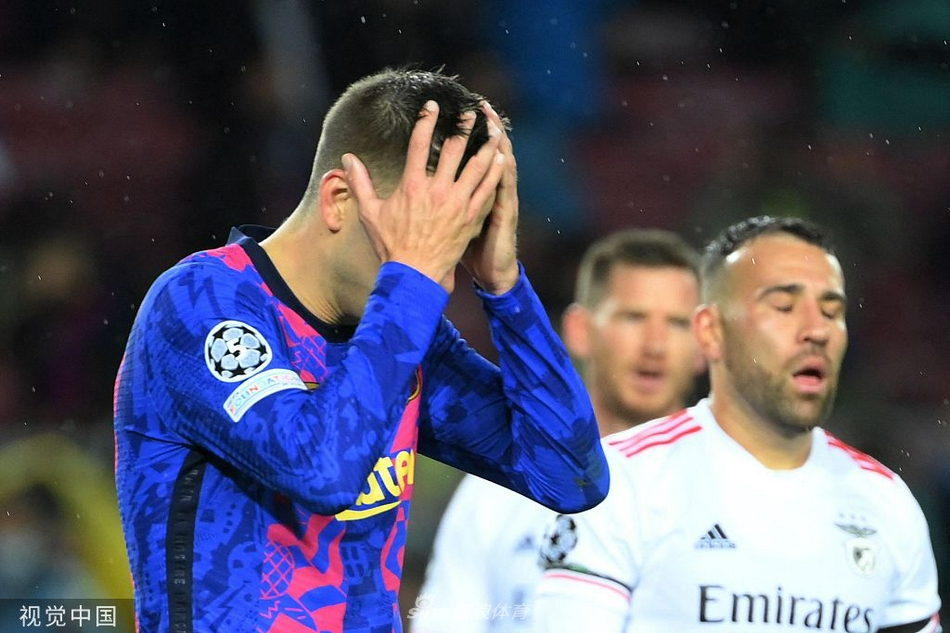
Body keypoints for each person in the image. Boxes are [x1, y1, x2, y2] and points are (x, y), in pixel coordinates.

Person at [113, 68, 610, 633]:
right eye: (424, 234)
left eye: (455, 238)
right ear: (339, 199)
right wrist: (411, 282)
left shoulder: (399, 327)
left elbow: (570, 477)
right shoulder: (202, 303)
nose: (439, 267)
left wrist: (505, 287)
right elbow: (322, 471)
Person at [534, 216, 943, 632]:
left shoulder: (887, 503)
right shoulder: (619, 482)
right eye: (784, 307)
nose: (816, 330)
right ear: (711, 331)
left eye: (831, 311)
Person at [409, 228, 705, 631]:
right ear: (580, 330)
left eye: (678, 324)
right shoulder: (497, 487)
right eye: (633, 317)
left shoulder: (729, 485)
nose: (655, 345)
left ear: (705, 342)